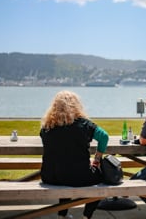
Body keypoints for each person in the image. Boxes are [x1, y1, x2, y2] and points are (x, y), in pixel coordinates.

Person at [40, 90, 109, 219]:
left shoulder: (46, 127)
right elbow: (104, 136)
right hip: (78, 176)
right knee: (102, 178)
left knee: (64, 171)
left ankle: (62, 215)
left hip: (50, 176)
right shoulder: (83, 124)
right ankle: (86, 216)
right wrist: (97, 159)